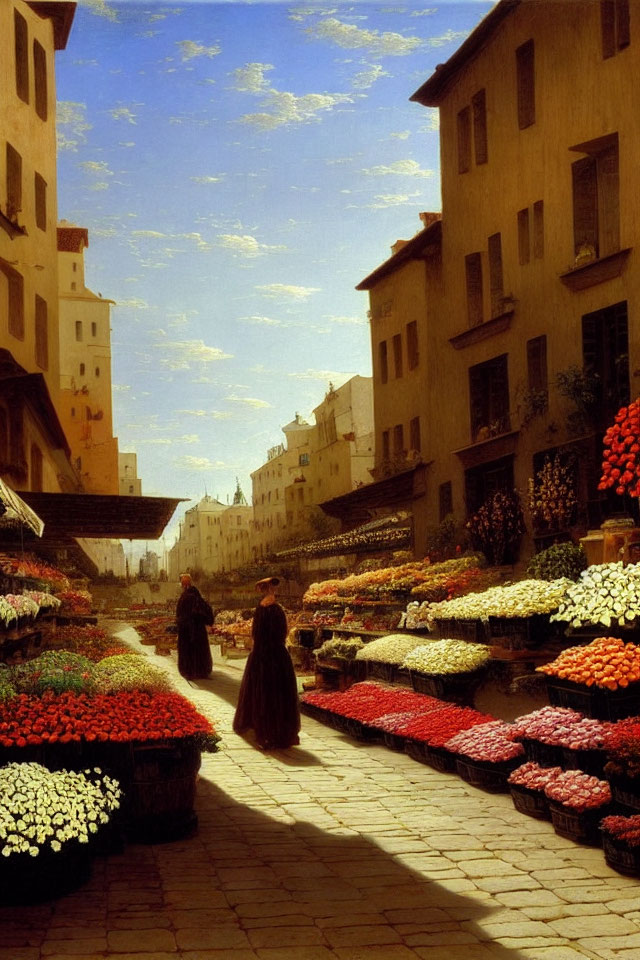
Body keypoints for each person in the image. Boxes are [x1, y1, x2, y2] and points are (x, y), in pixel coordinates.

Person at [233, 576, 300, 750]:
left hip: (261, 655)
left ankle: (265, 732)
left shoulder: (260, 609)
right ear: (271, 590)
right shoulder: (276, 609)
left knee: (263, 693)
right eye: (272, 588)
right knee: (277, 693)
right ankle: (277, 732)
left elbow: (255, 634)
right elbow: (283, 633)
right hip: (276, 656)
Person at [175, 573, 214, 680]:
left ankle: (190, 671)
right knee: (197, 649)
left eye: (183, 582)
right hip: (196, 628)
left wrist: (181, 622)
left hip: (188, 628)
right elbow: (206, 611)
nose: (182, 584)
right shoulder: (195, 595)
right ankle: (200, 671)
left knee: (189, 649)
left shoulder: (188, 596)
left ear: (184, 584)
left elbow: (183, 614)